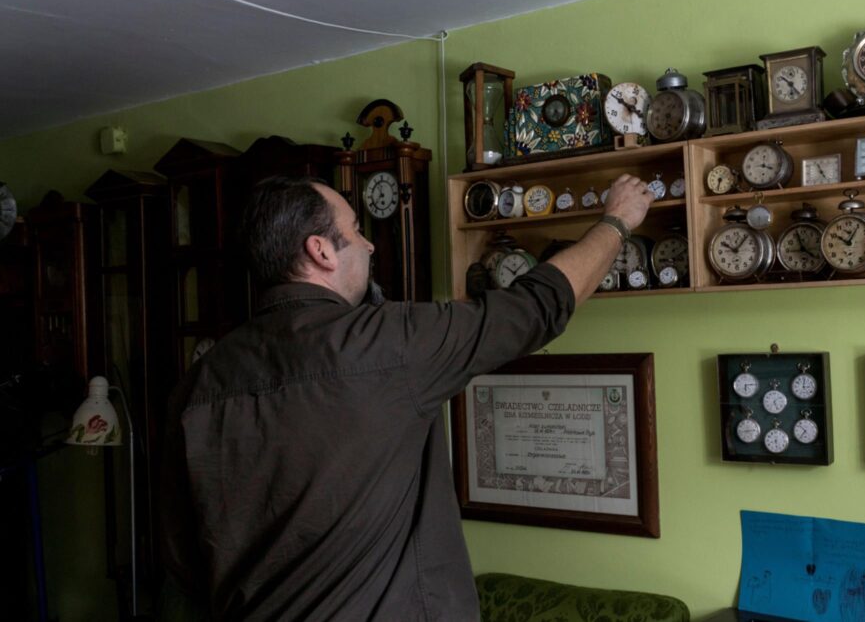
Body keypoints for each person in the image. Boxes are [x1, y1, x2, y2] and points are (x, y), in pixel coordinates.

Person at [159, 172, 655, 621]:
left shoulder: (196, 383)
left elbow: (183, 561)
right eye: (356, 230)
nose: (369, 245)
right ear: (321, 251)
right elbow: (536, 307)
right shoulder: (387, 344)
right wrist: (617, 221)